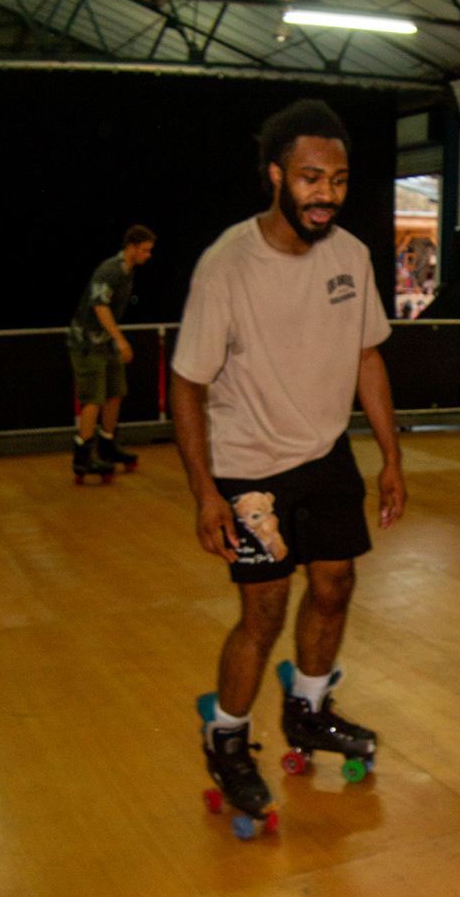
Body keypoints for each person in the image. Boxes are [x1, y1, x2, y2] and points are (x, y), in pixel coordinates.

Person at [169, 100, 406, 838]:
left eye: (336, 179)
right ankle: (227, 737)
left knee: (336, 584)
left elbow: (367, 354)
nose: (325, 194)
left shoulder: (350, 256)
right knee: (263, 611)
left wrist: (391, 457)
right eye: (310, 178)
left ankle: (307, 710)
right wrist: (206, 492)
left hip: (326, 454)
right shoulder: (228, 265)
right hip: (249, 468)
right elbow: (187, 382)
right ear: (275, 176)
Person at [67, 225, 156, 480]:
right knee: (93, 398)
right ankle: (82, 457)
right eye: (145, 250)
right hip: (88, 343)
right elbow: (99, 305)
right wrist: (121, 340)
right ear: (132, 247)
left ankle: (107, 444)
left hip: (105, 343)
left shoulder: (127, 273)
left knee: (115, 393)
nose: (148, 256)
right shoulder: (110, 270)